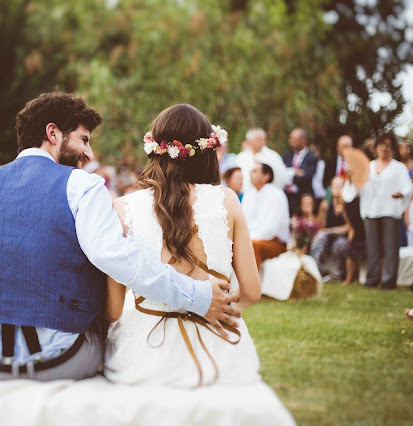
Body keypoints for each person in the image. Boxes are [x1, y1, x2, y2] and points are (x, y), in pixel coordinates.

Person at [0, 93, 238, 382]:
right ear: (53, 133)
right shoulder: (82, 185)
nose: (89, 153)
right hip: (60, 361)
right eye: (84, 139)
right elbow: (115, 258)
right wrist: (197, 296)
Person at [104, 104, 293, 423]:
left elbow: (112, 309)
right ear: (207, 150)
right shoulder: (227, 201)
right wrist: (215, 311)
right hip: (219, 344)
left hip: (145, 351)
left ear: (155, 151)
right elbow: (251, 290)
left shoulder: (123, 208)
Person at [342, 131, 413, 290]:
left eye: (387, 145)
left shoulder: (398, 168)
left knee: (390, 247)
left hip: (390, 210)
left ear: (392, 148)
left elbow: (408, 186)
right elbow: (357, 188)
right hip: (370, 210)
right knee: (372, 247)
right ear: (376, 147)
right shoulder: (369, 166)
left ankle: (388, 280)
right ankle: (372, 278)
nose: (384, 148)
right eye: (381, 144)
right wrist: (351, 178)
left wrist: (401, 193)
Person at [241, 162, 290, 268]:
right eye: (250, 171)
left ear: (266, 176)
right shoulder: (248, 195)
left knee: (253, 247)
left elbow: (272, 229)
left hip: (275, 242)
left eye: (254, 171)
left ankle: (250, 284)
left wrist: (249, 240)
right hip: (250, 239)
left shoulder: (277, 195)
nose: (250, 174)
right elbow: (242, 222)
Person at [310, 177, 349, 280]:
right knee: (319, 237)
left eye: (340, 185)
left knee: (340, 244)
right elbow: (321, 227)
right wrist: (322, 211)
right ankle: (315, 271)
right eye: (334, 185)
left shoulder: (348, 203)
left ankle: (338, 274)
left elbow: (349, 227)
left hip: (344, 236)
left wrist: (330, 231)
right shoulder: (326, 203)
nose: (337, 188)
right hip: (328, 236)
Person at [236, 128, 287, 193]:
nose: (262, 142)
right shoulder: (241, 157)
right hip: (245, 195)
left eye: (263, 139)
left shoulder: (273, 156)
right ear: (249, 141)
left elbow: (281, 177)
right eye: (258, 140)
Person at [283, 128, 319, 215]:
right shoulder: (286, 155)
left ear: (303, 140)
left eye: (294, 139)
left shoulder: (312, 158)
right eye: (290, 138)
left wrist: (288, 173)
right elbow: (281, 174)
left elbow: (307, 178)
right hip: (287, 198)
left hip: (303, 197)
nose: (290, 141)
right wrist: (293, 172)